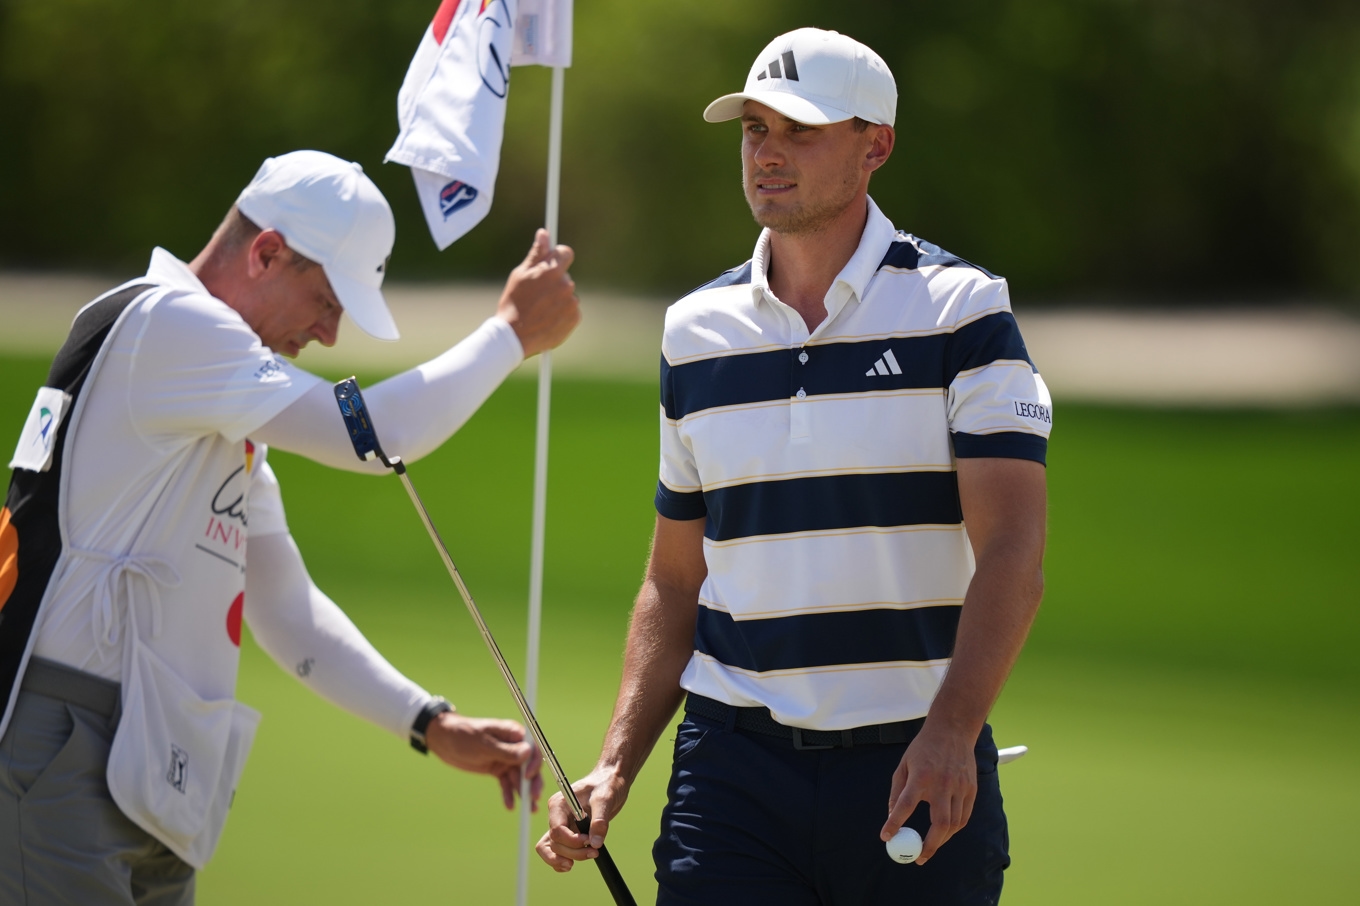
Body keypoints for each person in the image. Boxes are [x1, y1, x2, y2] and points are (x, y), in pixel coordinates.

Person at [536, 28, 1051, 904]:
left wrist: (953, 730)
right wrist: (614, 767)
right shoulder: (695, 332)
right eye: (754, 131)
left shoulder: (962, 311)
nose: (767, 154)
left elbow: (1014, 550)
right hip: (731, 774)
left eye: (799, 131)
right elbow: (674, 578)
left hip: (912, 767)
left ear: (874, 145)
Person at [0, 149, 579, 904]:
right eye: (327, 299)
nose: (330, 335)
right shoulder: (170, 323)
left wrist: (427, 721)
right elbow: (371, 434)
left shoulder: (209, 389)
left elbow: (286, 611)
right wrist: (507, 334)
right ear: (266, 251)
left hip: (145, 761)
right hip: (69, 748)